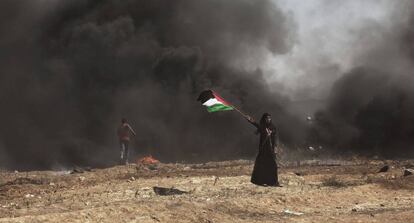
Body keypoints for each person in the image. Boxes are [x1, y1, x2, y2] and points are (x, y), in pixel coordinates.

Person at [246, 113, 281, 187]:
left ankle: (273, 182)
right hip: (263, 149)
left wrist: (275, 147)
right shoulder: (262, 127)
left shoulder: (273, 127)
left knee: (273, 165)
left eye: (269, 118)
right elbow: (256, 124)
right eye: (267, 118)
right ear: (264, 119)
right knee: (261, 166)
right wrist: (250, 120)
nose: (268, 119)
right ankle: (260, 181)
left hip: (270, 150)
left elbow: (274, 138)